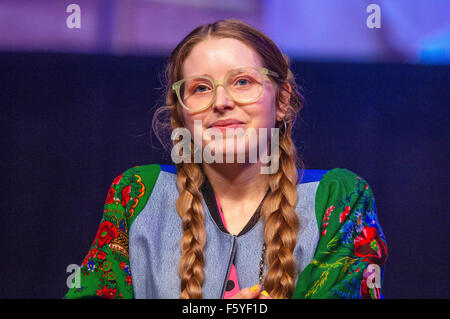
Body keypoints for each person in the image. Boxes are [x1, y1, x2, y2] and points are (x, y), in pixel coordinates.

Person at [65, 19, 387, 299]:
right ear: (181, 114)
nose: (221, 102)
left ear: (282, 100)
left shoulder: (339, 198)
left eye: (242, 82)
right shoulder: (137, 194)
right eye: (201, 88)